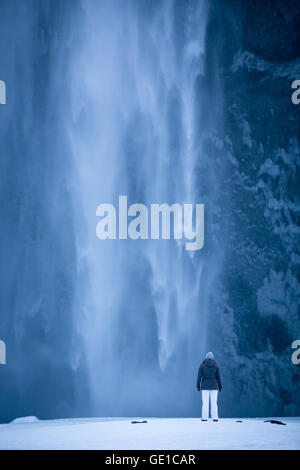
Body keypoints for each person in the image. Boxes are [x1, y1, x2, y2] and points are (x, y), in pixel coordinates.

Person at [197, 352, 222, 421]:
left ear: (206, 357)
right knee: (214, 403)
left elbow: (199, 376)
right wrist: (220, 386)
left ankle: (204, 418)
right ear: (212, 357)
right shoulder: (216, 365)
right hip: (214, 386)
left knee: (205, 403)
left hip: (204, 386)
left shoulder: (202, 365)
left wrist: (198, 386)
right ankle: (215, 417)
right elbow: (218, 377)